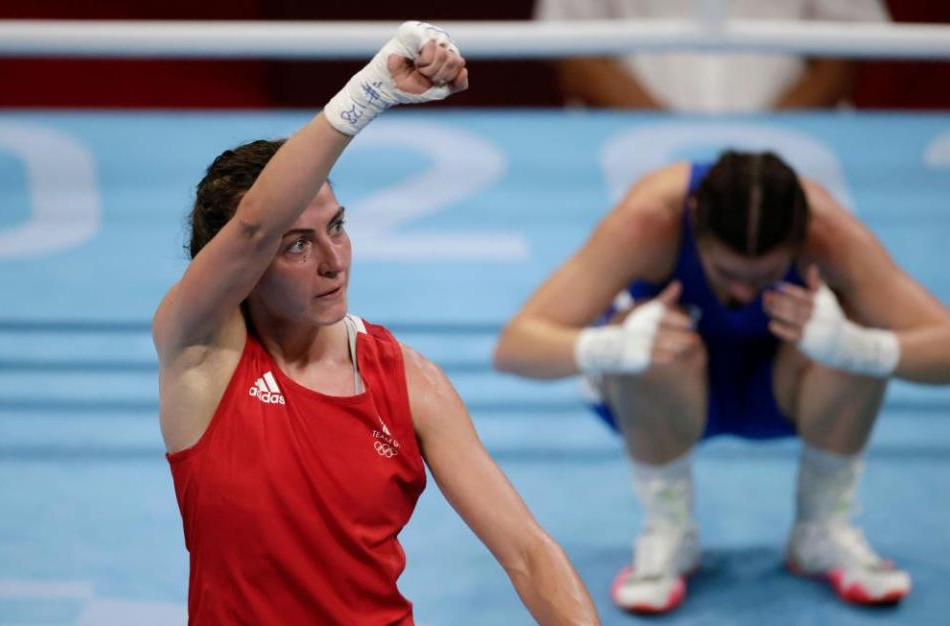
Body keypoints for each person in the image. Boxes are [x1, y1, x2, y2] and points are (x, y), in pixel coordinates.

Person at [152, 21, 600, 625]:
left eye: (336, 226)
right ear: (247, 268)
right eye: (297, 246)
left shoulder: (411, 381)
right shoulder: (200, 353)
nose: (333, 262)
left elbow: (527, 551)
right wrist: (373, 89)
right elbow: (255, 222)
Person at [493, 151, 950, 613]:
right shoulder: (649, 221)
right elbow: (514, 347)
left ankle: (821, 531)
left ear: (799, 239)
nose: (744, 293)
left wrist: (858, 347)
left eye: (767, 275)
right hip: (665, 397)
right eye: (728, 273)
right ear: (696, 227)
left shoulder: (829, 234)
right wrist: (611, 345)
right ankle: (669, 530)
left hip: (785, 390)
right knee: (648, 336)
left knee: (858, 328)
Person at [534, 0, 889, 112]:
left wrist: (769, 140)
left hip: (791, 154)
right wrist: (672, 139)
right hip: (631, 154)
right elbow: (571, 48)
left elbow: (847, 43)